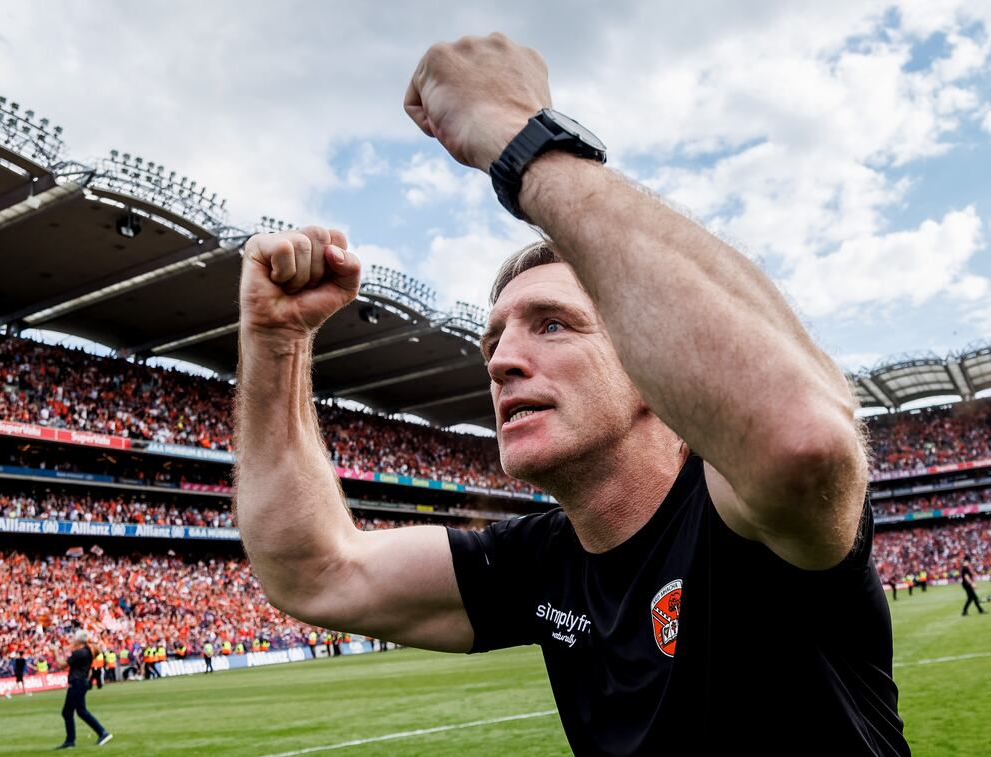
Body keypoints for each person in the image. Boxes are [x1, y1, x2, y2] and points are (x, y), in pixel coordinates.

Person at [233, 33, 907, 754]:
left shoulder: (737, 517)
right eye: (494, 341)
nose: (501, 362)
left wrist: (525, 141)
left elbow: (802, 437)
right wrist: (275, 344)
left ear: (656, 368)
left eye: (552, 325)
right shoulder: (540, 563)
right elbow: (313, 572)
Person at [56, 629, 112, 749]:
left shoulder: (79, 653)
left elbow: (61, 665)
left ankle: (102, 732)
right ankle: (70, 740)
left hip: (77, 683)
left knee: (79, 711)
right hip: (80, 682)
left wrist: (55, 652)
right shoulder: (87, 651)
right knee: (68, 712)